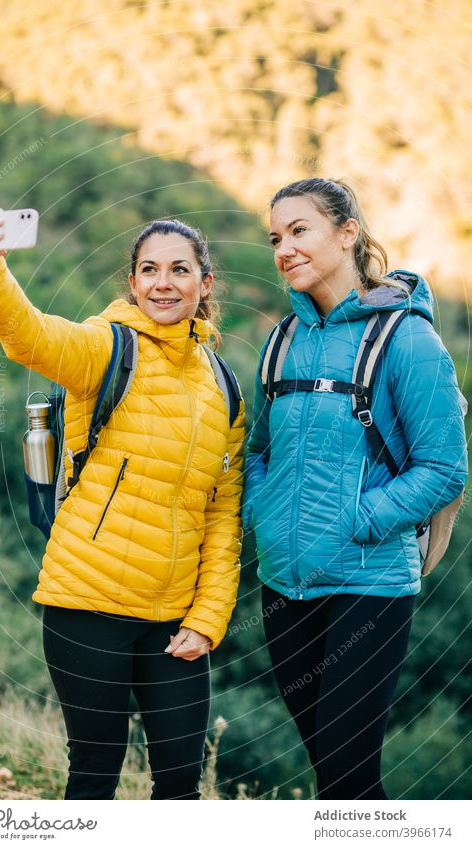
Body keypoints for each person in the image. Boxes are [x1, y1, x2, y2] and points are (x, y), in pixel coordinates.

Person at [0, 205, 245, 800]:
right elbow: (29, 333)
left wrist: (208, 618)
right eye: (149, 269)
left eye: (179, 269)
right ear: (132, 283)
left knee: (181, 788)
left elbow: (222, 515)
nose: (164, 282)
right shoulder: (104, 349)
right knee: (94, 776)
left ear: (205, 283)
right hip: (87, 605)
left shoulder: (223, 385)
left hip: (174, 623)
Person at [243, 178, 467, 800]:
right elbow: (259, 449)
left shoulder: (408, 339)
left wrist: (358, 519)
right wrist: (263, 511)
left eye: (299, 230)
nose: (284, 247)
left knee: (347, 774)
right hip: (284, 582)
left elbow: (445, 468)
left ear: (347, 233)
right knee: (330, 774)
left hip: (368, 583)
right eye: (275, 237)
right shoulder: (283, 338)